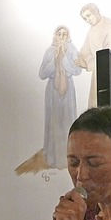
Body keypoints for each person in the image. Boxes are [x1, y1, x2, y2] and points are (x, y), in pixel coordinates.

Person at [38, 25, 82, 169]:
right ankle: (52, 158)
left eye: (64, 34)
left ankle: (69, 159)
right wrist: (55, 59)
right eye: (59, 34)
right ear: (55, 35)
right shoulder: (50, 51)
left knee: (68, 121)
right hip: (52, 90)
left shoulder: (72, 49)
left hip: (68, 89)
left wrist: (63, 58)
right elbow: (42, 73)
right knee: (54, 122)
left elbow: (77, 70)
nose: (62, 37)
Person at [76, 3, 111, 108]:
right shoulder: (91, 30)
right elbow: (85, 48)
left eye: (88, 15)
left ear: (96, 11)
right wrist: (80, 58)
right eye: (85, 18)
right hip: (98, 70)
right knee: (97, 105)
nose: (88, 20)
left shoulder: (109, 24)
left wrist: (87, 64)